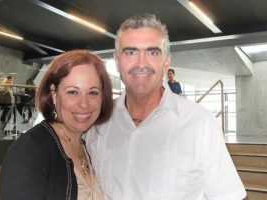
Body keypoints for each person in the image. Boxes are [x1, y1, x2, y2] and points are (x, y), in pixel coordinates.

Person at [85, 14, 246, 200]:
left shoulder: (199, 123)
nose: (141, 63)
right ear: (116, 61)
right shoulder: (99, 122)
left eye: (152, 52)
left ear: (166, 62)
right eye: (130, 52)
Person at [0, 50, 113, 199]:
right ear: (54, 95)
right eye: (72, 92)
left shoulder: (83, 146)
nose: (84, 104)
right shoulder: (30, 151)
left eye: (93, 93)